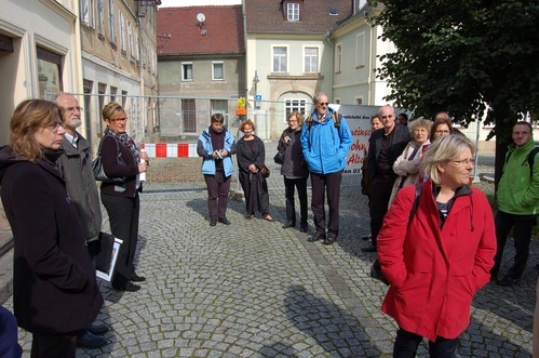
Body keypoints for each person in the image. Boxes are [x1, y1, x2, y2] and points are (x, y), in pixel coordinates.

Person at [0, 99, 103, 357]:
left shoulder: (39, 167)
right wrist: (80, 278)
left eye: (60, 123)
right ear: (29, 129)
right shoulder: (27, 176)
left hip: (55, 297)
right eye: (53, 125)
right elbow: (41, 253)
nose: (61, 130)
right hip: (52, 299)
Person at [377, 134, 496, 357]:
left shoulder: (478, 201)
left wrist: (471, 282)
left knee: (444, 351)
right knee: (406, 345)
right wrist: (400, 279)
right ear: (441, 165)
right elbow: (388, 243)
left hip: (454, 297)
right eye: (464, 161)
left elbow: (487, 249)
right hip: (414, 292)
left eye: (471, 160)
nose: (471, 166)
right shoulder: (411, 197)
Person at [54, 93, 108, 348]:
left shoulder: (81, 142)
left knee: (89, 277)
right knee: (77, 281)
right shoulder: (56, 149)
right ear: (56, 114)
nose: (76, 111)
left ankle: (85, 321)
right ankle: (77, 331)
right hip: (73, 228)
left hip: (90, 223)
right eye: (70, 108)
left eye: (78, 107)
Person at [99, 102, 148, 292]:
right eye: (117, 119)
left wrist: (141, 159)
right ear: (107, 121)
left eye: (123, 118)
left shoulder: (124, 138)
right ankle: (118, 279)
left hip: (130, 191)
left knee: (131, 235)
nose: (121, 122)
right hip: (116, 195)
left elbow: (130, 160)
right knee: (122, 238)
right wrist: (136, 168)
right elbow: (111, 168)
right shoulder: (109, 141)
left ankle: (127, 270)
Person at [491, 121, 539, 286]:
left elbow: (537, 185)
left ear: (530, 134)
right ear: (512, 135)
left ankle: (514, 275)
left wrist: (525, 201)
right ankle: (492, 270)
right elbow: (505, 177)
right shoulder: (511, 153)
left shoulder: (535, 154)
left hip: (524, 210)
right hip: (505, 207)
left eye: (523, 132)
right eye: (516, 133)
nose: (520, 136)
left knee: (521, 246)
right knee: (495, 240)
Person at [301, 92, 352, 245]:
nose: (324, 106)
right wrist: (309, 158)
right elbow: (304, 143)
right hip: (316, 167)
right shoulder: (309, 121)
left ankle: (332, 231)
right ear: (316, 104)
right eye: (321, 104)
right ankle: (319, 230)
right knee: (316, 202)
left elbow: (347, 139)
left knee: (333, 200)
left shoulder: (337, 118)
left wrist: (339, 155)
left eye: (326, 103)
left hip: (334, 167)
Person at [363, 105, 411, 252]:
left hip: (397, 179)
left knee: (396, 214)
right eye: (384, 117)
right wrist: (373, 175)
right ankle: (376, 244)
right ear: (380, 119)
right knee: (376, 213)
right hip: (379, 179)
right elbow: (370, 158)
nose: (387, 119)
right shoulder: (376, 135)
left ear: (394, 116)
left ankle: (394, 246)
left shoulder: (405, 132)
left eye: (390, 116)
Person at [197, 113, 236, 226]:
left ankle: (222, 216)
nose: (218, 127)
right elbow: (199, 150)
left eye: (220, 124)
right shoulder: (205, 134)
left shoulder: (227, 133)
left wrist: (227, 151)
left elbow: (234, 147)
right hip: (210, 169)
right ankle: (213, 217)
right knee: (213, 195)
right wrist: (210, 154)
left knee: (224, 194)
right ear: (212, 123)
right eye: (216, 124)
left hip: (225, 169)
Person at [387, 118, 431, 206]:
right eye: (417, 130)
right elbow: (395, 165)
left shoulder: (428, 147)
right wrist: (406, 166)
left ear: (428, 132)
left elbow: (416, 166)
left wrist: (402, 164)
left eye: (422, 130)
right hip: (400, 183)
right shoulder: (410, 145)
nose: (419, 133)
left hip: (413, 185)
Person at [277, 111, 309, 232]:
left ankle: (304, 222)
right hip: (287, 170)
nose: (292, 123)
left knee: (302, 197)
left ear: (299, 121)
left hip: (300, 170)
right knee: (289, 197)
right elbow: (279, 149)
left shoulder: (304, 132)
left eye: (294, 121)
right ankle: (290, 220)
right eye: (290, 121)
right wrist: (282, 142)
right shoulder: (285, 132)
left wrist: (304, 162)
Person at [236, 119, 272, 221]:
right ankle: (251, 212)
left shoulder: (258, 141)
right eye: (245, 129)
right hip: (246, 172)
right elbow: (240, 159)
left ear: (252, 129)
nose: (247, 130)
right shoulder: (240, 144)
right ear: (243, 130)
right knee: (248, 192)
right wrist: (249, 167)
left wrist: (256, 165)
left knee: (262, 192)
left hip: (258, 171)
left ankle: (265, 212)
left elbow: (262, 155)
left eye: (249, 128)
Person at [360, 114, 383, 241]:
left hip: (378, 180)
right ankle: (373, 233)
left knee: (379, 211)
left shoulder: (383, 139)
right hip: (369, 178)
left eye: (377, 123)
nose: (374, 126)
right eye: (373, 124)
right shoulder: (372, 138)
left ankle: (379, 236)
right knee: (372, 208)